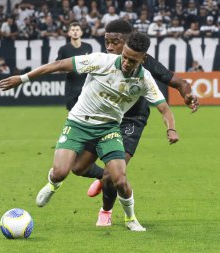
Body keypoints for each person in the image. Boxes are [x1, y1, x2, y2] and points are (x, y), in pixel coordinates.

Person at [0, 31, 179, 232]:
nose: (127, 62)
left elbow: (164, 109)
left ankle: (131, 219)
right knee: (62, 172)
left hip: (109, 128)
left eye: (133, 60)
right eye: (125, 57)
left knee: (119, 178)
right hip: (78, 123)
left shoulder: (144, 79)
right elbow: (59, 65)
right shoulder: (100, 61)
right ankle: (53, 183)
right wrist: (23, 79)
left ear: (143, 59)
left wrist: (171, 129)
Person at [69, 20, 199, 227]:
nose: (109, 47)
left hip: (131, 121)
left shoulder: (144, 63)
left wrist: (188, 95)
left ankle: (106, 211)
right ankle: (103, 178)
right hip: (103, 119)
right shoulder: (103, 61)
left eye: (115, 42)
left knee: (113, 175)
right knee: (76, 167)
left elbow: (180, 83)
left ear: (128, 42)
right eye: (107, 42)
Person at [56, 22, 92, 111]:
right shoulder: (63, 49)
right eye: (72, 30)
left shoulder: (88, 47)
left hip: (85, 87)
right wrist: (67, 69)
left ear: (81, 33)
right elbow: (57, 67)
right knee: (72, 115)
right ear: (69, 33)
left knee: (87, 115)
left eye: (77, 30)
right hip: (71, 88)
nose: (75, 32)